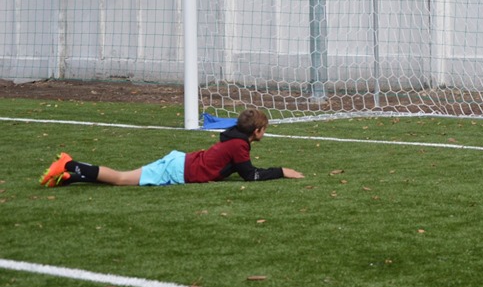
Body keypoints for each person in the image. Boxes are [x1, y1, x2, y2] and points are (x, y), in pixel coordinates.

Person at [40, 108, 304, 187]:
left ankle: (68, 178)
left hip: (180, 163)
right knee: (121, 179)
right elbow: (250, 174)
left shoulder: (235, 139)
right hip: (178, 170)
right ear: (257, 131)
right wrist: (282, 171)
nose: (264, 134)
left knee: (125, 179)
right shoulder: (239, 146)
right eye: (264, 130)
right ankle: (69, 164)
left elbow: (233, 167)